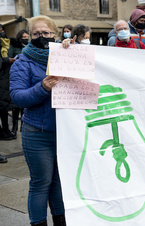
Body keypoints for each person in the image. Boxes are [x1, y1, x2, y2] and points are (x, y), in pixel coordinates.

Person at [9, 15, 66, 225]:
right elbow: (17, 97)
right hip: (38, 133)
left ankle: (61, 220)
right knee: (42, 183)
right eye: (36, 33)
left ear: (55, 34)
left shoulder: (66, 56)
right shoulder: (22, 62)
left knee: (59, 182)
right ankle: (39, 222)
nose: (41, 37)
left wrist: (72, 48)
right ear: (29, 36)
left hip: (65, 132)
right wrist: (42, 87)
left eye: (46, 33)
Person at [8, 29, 29, 137]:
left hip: (27, 77)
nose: (25, 39)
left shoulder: (30, 46)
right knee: (16, 106)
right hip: (17, 75)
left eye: (27, 37)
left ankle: (23, 128)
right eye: (23, 37)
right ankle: (14, 129)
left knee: (24, 106)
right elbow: (9, 57)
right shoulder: (15, 46)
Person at [0, 24, 16, 140]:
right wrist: (7, 60)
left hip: (6, 78)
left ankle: (6, 130)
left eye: (2, 30)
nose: (1, 32)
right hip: (1, 77)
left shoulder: (7, 43)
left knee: (4, 107)